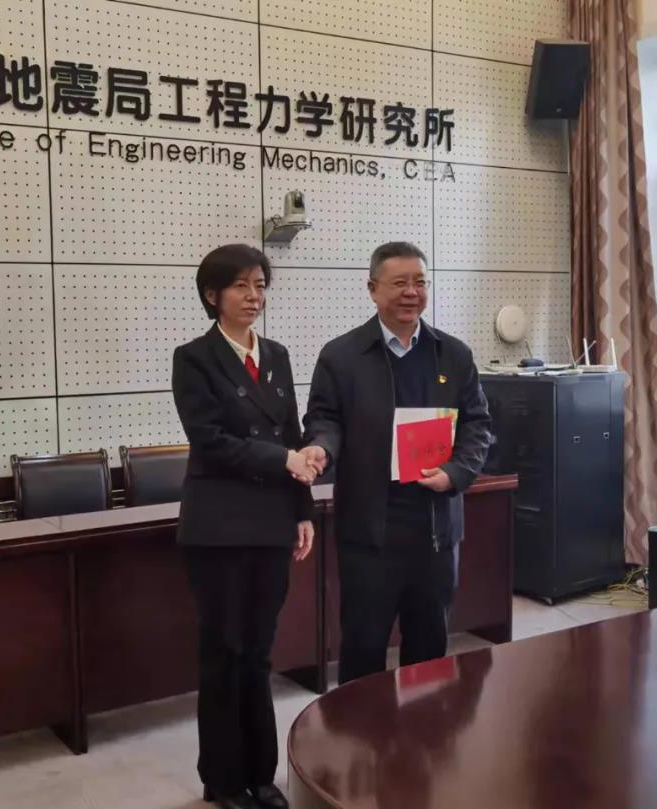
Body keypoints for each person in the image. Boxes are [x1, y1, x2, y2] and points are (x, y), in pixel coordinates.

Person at [302, 241, 492, 685]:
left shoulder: (454, 354)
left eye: (420, 282)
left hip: (435, 528)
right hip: (370, 530)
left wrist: (455, 473)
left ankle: (422, 729)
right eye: (400, 283)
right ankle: (360, 730)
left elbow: (478, 426)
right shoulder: (341, 356)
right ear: (372, 289)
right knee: (363, 647)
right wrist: (322, 447)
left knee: (429, 651)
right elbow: (324, 419)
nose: (412, 292)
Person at [171, 243, 317, 809]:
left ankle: (261, 773)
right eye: (241, 286)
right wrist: (284, 460)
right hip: (218, 528)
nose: (254, 296)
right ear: (213, 295)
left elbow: (292, 433)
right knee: (224, 652)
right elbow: (211, 440)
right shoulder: (194, 358)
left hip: (272, 523)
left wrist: (302, 510)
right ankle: (223, 779)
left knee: (259, 653)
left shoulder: (276, 355)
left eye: (260, 285)